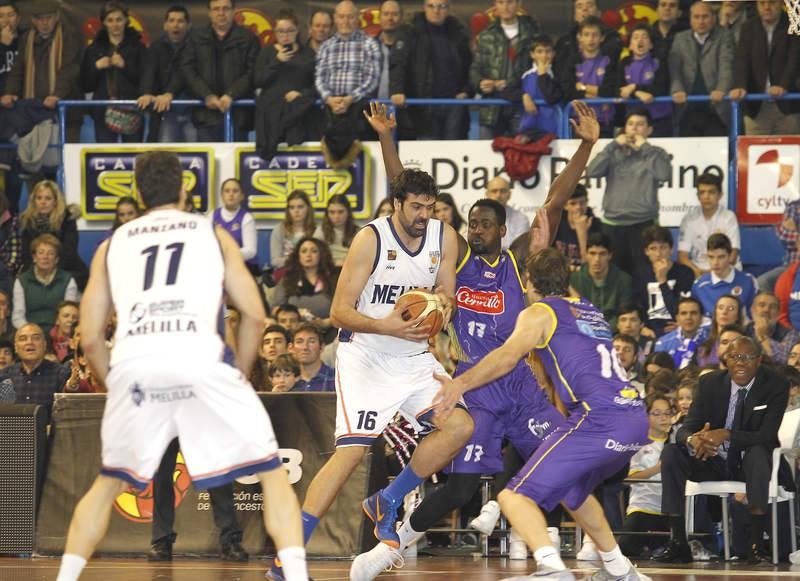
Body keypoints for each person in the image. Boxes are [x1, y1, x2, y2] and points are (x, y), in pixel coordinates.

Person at [349, 100, 601, 579]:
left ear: (504, 231)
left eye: (485, 224)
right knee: (461, 490)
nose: (476, 230)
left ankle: (604, 556)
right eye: (472, 224)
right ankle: (391, 541)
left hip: (521, 387)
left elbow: (553, 201)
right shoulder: (456, 257)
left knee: (563, 461)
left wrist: (587, 144)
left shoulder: (515, 260)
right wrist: (386, 138)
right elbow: (410, 199)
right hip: (474, 388)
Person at [54, 150, 308, 581]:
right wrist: (241, 374)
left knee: (107, 483)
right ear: (185, 188)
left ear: (137, 192)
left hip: (137, 365)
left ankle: (66, 576)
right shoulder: (213, 235)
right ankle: (298, 576)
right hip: (199, 360)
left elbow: (91, 335)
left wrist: (114, 383)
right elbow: (254, 313)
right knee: (270, 473)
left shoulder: (112, 245)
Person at [265, 109, 471, 580]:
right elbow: (338, 313)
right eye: (416, 207)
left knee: (460, 427)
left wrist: (442, 308)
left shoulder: (445, 238)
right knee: (352, 452)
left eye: (430, 207)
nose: (424, 216)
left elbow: (448, 295)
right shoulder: (369, 240)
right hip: (367, 355)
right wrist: (390, 326)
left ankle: (389, 499)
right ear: (397, 204)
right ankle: (287, 560)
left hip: (414, 357)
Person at [432, 248, 650, 581]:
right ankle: (622, 570)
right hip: (634, 417)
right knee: (573, 491)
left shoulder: (539, 312)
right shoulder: (588, 308)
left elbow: (506, 358)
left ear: (528, 282)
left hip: (600, 418)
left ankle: (551, 568)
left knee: (512, 495)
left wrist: (459, 383)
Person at [654, 336, 791, 564]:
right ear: (726, 359)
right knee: (671, 453)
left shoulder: (775, 384)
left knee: (758, 453)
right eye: (735, 356)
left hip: (749, 464)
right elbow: (686, 427)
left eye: (748, 357)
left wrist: (725, 434)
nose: (740, 362)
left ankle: (756, 544)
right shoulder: (709, 383)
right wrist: (695, 440)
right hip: (711, 460)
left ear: (759, 361)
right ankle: (678, 541)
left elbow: (767, 436)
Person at [586, 108, 672, 276]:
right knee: (615, 276)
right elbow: (592, 172)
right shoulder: (613, 152)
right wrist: (612, 145)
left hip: (644, 223)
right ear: (624, 128)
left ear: (649, 130)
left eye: (640, 125)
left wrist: (645, 148)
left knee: (645, 275)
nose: (634, 128)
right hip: (613, 224)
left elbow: (664, 174)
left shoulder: (656, 153)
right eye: (631, 124)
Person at [1, 0, 83, 143]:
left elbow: (69, 69)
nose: (44, 23)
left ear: (57, 16)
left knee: (65, 155)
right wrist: (9, 92)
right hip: (34, 111)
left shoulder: (70, 35)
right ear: (33, 20)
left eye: (49, 18)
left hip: (66, 111)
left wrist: (57, 94)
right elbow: (18, 69)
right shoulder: (26, 38)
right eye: (40, 19)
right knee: (37, 160)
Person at [391, 0, 472, 139]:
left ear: (448, 8)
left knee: (454, 150)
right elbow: (398, 64)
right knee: (427, 150)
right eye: (431, 6)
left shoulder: (459, 32)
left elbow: (470, 66)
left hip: (454, 105)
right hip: (423, 106)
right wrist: (396, 90)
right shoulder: (410, 31)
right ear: (424, 7)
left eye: (441, 6)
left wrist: (467, 90)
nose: (436, 11)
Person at [180, 0, 259, 142]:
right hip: (206, 116)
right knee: (208, 163)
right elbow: (187, 71)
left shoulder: (248, 38)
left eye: (226, 9)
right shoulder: (195, 37)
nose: (221, 13)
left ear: (234, 11)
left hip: (238, 115)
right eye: (216, 9)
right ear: (209, 13)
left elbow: (253, 72)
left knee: (235, 163)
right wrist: (207, 95)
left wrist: (231, 95)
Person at [729, 0, 800, 136]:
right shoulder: (748, 27)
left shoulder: (794, 24)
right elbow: (742, 60)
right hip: (755, 106)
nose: (767, 7)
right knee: (753, 154)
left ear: (781, 4)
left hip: (787, 104)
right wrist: (740, 86)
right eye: (762, 3)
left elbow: (795, 59)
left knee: (790, 155)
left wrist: (783, 86)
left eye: (772, 3)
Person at [254, 8, 316, 161]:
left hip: (298, 114)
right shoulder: (267, 53)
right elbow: (257, 80)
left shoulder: (308, 53)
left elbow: (316, 84)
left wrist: (301, 94)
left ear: (297, 31)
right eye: (281, 31)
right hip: (271, 116)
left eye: (290, 30)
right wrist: (277, 61)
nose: (285, 35)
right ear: (274, 33)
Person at [471, 0, 539, 138]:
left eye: (510, 2)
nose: (506, 7)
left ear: (519, 4)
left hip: (521, 106)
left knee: (522, 156)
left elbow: (538, 69)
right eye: (501, 2)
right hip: (491, 108)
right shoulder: (486, 36)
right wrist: (480, 83)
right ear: (495, 5)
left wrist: (510, 85)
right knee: (486, 157)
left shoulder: (532, 35)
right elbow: (475, 69)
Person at [81, 1, 147, 143]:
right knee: (105, 158)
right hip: (103, 111)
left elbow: (146, 80)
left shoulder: (138, 47)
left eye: (119, 19)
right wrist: (96, 67)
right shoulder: (94, 48)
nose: (115, 24)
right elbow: (85, 85)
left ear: (126, 21)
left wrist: (125, 66)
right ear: (104, 23)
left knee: (133, 158)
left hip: (132, 110)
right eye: (110, 20)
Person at [315, 1, 381, 141]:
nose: (346, 21)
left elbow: (372, 79)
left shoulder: (370, 44)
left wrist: (350, 99)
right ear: (335, 18)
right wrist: (329, 99)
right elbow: (319, 78)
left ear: (357, 19)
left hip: (359, 111)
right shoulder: (326, 47)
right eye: (342, 16)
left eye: (350, 17)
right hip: (330, 110)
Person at [669, 1, 735, 137]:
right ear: (690, 19)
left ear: (714, 18)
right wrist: (677, 89)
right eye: (696, 17)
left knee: (716, 156)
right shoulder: (680, 38)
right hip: (686, 108)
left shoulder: (724, 36)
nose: (701, 21)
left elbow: (726, 66)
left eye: (705, 17)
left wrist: (722, 89)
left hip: (715, 109)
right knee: (687, 157)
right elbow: (674, 69)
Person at [618, 393, 672, 557]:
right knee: (626, 547)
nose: (663, 418)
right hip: (643, 506)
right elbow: (629, 478)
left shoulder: (677, 439)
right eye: (656, 413)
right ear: (646, 416)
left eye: (667, 413)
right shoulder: (638, 443)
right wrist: (659, 467)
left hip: (670, 510)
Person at [137, 4, 196, 143]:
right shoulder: (156, 47)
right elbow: (149, 72)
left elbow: (185, 73)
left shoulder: (196, 46)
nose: (176, 25)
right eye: (172, 20)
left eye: (180, 21)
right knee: (164, 154)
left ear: (188, 25)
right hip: (165, 112)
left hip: (192, 110)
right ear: (165, 25)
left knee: (197, 156)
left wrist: (169, 93)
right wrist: (146, 92)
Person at [19, 180, 88, 289]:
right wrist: (39, 273)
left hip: (68, 270)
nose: (43, 202)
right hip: (36, 272)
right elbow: (26, 255)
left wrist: (50, 274)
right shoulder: (27, 221)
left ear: (56, 201)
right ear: (34, 201)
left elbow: (69, 253)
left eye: (48, 198)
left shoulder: (67, 220)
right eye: (39, 198)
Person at [558, 16, 617, 135]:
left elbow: (610, 91)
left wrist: (582, 87)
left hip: (604, 122)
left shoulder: (609, 61)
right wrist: (598, 98)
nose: (591, 39)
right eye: (586, 34)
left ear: (602, 37)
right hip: (577, 122)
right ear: (579, 37)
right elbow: (569, 91)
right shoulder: (571, 62)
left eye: (595, 35)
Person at [633, 225, 694, 336]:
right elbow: (638, 307)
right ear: (646, 251)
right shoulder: (640, 275)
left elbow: (678, 311)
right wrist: (642, 328)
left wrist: (662, 281)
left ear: (671, 249)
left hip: (677, 331)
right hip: (649, 332)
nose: (658, 254)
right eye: (653, 248)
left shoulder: (685, 273)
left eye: (663, 247)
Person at [12, 234, 79, 333]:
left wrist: (56, 333)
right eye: (41, 252)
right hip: (30, 333)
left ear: (56, 259)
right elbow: (18, 316)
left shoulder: (68, 280)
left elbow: (69, 315)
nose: (45, 257)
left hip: (58, 333)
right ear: (34, 257)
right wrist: (32, 332)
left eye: (51, 253)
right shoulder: (21, 281)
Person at [678, 172, 741, 277]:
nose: (706, 197)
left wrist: (712, 274)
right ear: (698, 196)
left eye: (711, 192)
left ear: (720, 195)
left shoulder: (729, 217)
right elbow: (682, 257)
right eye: (702, 192)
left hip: (726, 272)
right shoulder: (689, 219)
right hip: (698, 273)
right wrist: (697, 271)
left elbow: (733, 256)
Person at [267, 237, 337, 331]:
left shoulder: (333, 279)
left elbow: (343, 311)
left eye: (314, 251)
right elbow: (275, 309)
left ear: (321, 255)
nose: (308, 255)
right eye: (304, 251)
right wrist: (295, 313)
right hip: (293, 331)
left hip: (329, 330)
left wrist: (326, 323)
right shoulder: (288, 279)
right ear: (298, 256)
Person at [0, 322, 69, 417]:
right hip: (11, 431)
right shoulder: (4, 375)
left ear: (44, 345)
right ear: (16, 347)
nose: (29, 342)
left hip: (47, 431)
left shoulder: (61, 373)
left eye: (36, 338)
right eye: (23, 339)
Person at [570, 232, 632, 331]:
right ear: (586, 255)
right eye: (592, 253)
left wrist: (602, 330)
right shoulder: (574, 280)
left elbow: (624, 313)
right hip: (583, 332)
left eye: (602, 254)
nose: (597, 259)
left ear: (610, 255)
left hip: (613, 333)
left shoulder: (623, 280)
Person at [618, 23, 672, 137]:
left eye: (644, 37)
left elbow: (660, 88)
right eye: (636, 37)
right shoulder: (624, 63)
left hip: (659, 120)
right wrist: (637, 91)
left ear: (651, 44)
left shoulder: (659, 61)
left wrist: (633, 87)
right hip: (632, 122)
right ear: (630, 45)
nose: (640, 40)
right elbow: (620, 89)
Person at [691, 233, 757, 318]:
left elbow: (754, 317)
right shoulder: (699, 286)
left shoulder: (748, 281)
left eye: (721, 257)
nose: (715, 262)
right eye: (711, 257)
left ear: (730, 256)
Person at [518, 34, 563, 138]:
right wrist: (523, 95)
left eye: (548, 51)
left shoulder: (559, 74)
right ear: (532, 54)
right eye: (539, 51)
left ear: (553, 54)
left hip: (554, 130)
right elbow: (507, 90)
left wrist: (542, 75)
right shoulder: (525, 75)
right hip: (528, 130)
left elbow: (552, 97)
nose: (544, 56)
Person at [212, 178, 257, 272]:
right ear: (222, 195)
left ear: (242, 196)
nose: (231, 194)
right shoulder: (211, 216)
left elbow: (251, 250)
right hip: (217, 267)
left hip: (242, 268)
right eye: (227, 191)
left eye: (235, 191)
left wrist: (227, 255)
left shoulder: (247, 218)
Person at [552, 184, 601, 271]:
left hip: (584, 277)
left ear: (587, 203)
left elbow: (593, 265)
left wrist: (582, 233)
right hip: (559, 274)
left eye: (582, 203)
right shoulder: (556, 224)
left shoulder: (596, 225)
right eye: (573, 203)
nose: (578, 207)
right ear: (565, 206)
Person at [654, 297, 709, 369]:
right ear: (677, 318)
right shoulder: (663, 343)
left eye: (693, 313)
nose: (688, 317)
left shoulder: (711, 340)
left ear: (701, 318)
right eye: (684, 313)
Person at [269, 190, 316, 270]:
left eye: (300, 207)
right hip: (285, 272)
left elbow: (320, 259)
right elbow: (275, 261)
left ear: (308, 208)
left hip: (310, 272)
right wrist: (298, 260)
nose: (296, 211)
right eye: (292, 207)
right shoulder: (279, 229)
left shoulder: (316, 231)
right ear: (288, 210)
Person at [747, 291, 797, 364]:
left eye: (773, 307)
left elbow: (784, 362)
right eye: (762, 305)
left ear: (779, 313)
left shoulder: (790, 335)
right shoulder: (743, 331)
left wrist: (763, 337)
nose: (766, 310)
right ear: (752, 310)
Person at [695, 294, 744, 368]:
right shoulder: (702, 346)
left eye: (731, 308)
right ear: (715, 312)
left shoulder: (746, 345)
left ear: (738, 315)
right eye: (721, 308)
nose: (724, 312)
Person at [314, 194, 358, 269]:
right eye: (332, 212)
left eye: (340, 212)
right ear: (327, 214)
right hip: (326, 271)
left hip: (351, 271)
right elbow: (315, 256)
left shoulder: (358, 232)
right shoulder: (320, 231)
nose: (336, 216)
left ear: (348, 212)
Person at [485, 176, 529, 249]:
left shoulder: (521, 219)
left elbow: (518, 248)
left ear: (509, 195)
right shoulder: (476, 218)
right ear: (487, 194)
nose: (498, 195)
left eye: (502, 191)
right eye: (494, 191)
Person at [289, 323, 334, 392]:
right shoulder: (288, 382)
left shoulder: (337, 378)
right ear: (291, 348)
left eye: (311, 341)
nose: (305, 347)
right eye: (299, 342)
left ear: (322, 347)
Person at [250, 324, 290, 391]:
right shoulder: (253, 376)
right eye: (267, 342)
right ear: (262, 351)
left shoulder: (296, 372)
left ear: (288, 347)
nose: (272, 345)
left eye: (278, 341)